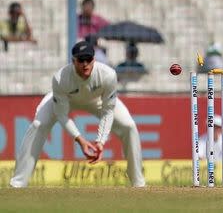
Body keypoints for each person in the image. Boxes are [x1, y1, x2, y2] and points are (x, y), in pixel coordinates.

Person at [10, 41, 146, 188]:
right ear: (73, 61)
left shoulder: (108, 75)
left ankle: (138, 183)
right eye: (81, 60)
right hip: (67, 100)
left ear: (94, 59)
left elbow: (108, 111)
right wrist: (80, 140)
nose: (85, 64)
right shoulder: (60, 78)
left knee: (129, 126)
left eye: (89, 59)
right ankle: (18, 183)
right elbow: (61, 114)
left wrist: (100, 142)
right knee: (38, 125)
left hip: (97, 100)